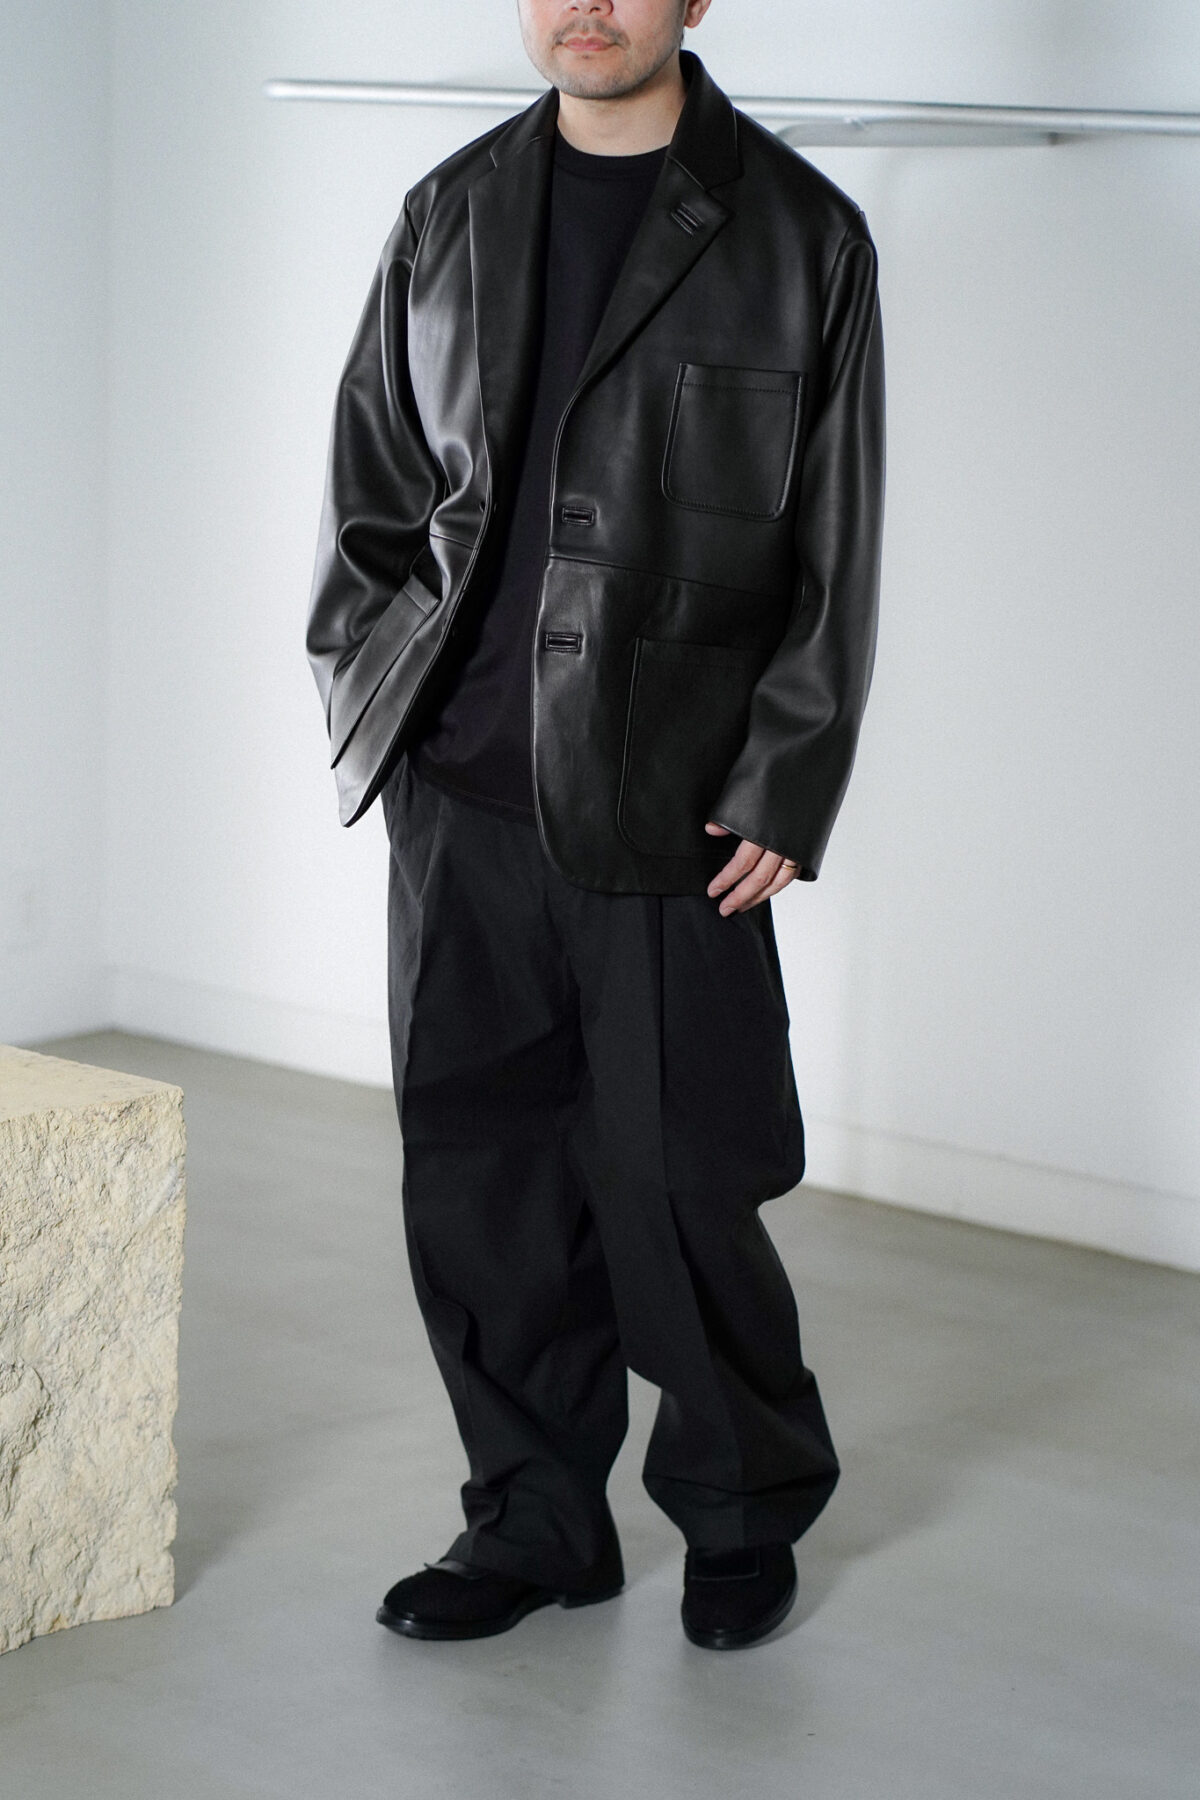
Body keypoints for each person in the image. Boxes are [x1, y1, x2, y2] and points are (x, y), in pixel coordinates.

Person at [306, 0, 885, 1652]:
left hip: (672, 805)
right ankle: (537, 1519)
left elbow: (836, 542)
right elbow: (371, 491)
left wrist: (786, 775)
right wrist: (374, 696)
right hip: (460, 791)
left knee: (681, 1180)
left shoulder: (800, 235)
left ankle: (742, 1505)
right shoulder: (448, 213)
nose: (588, 4)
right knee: (482, 1185)